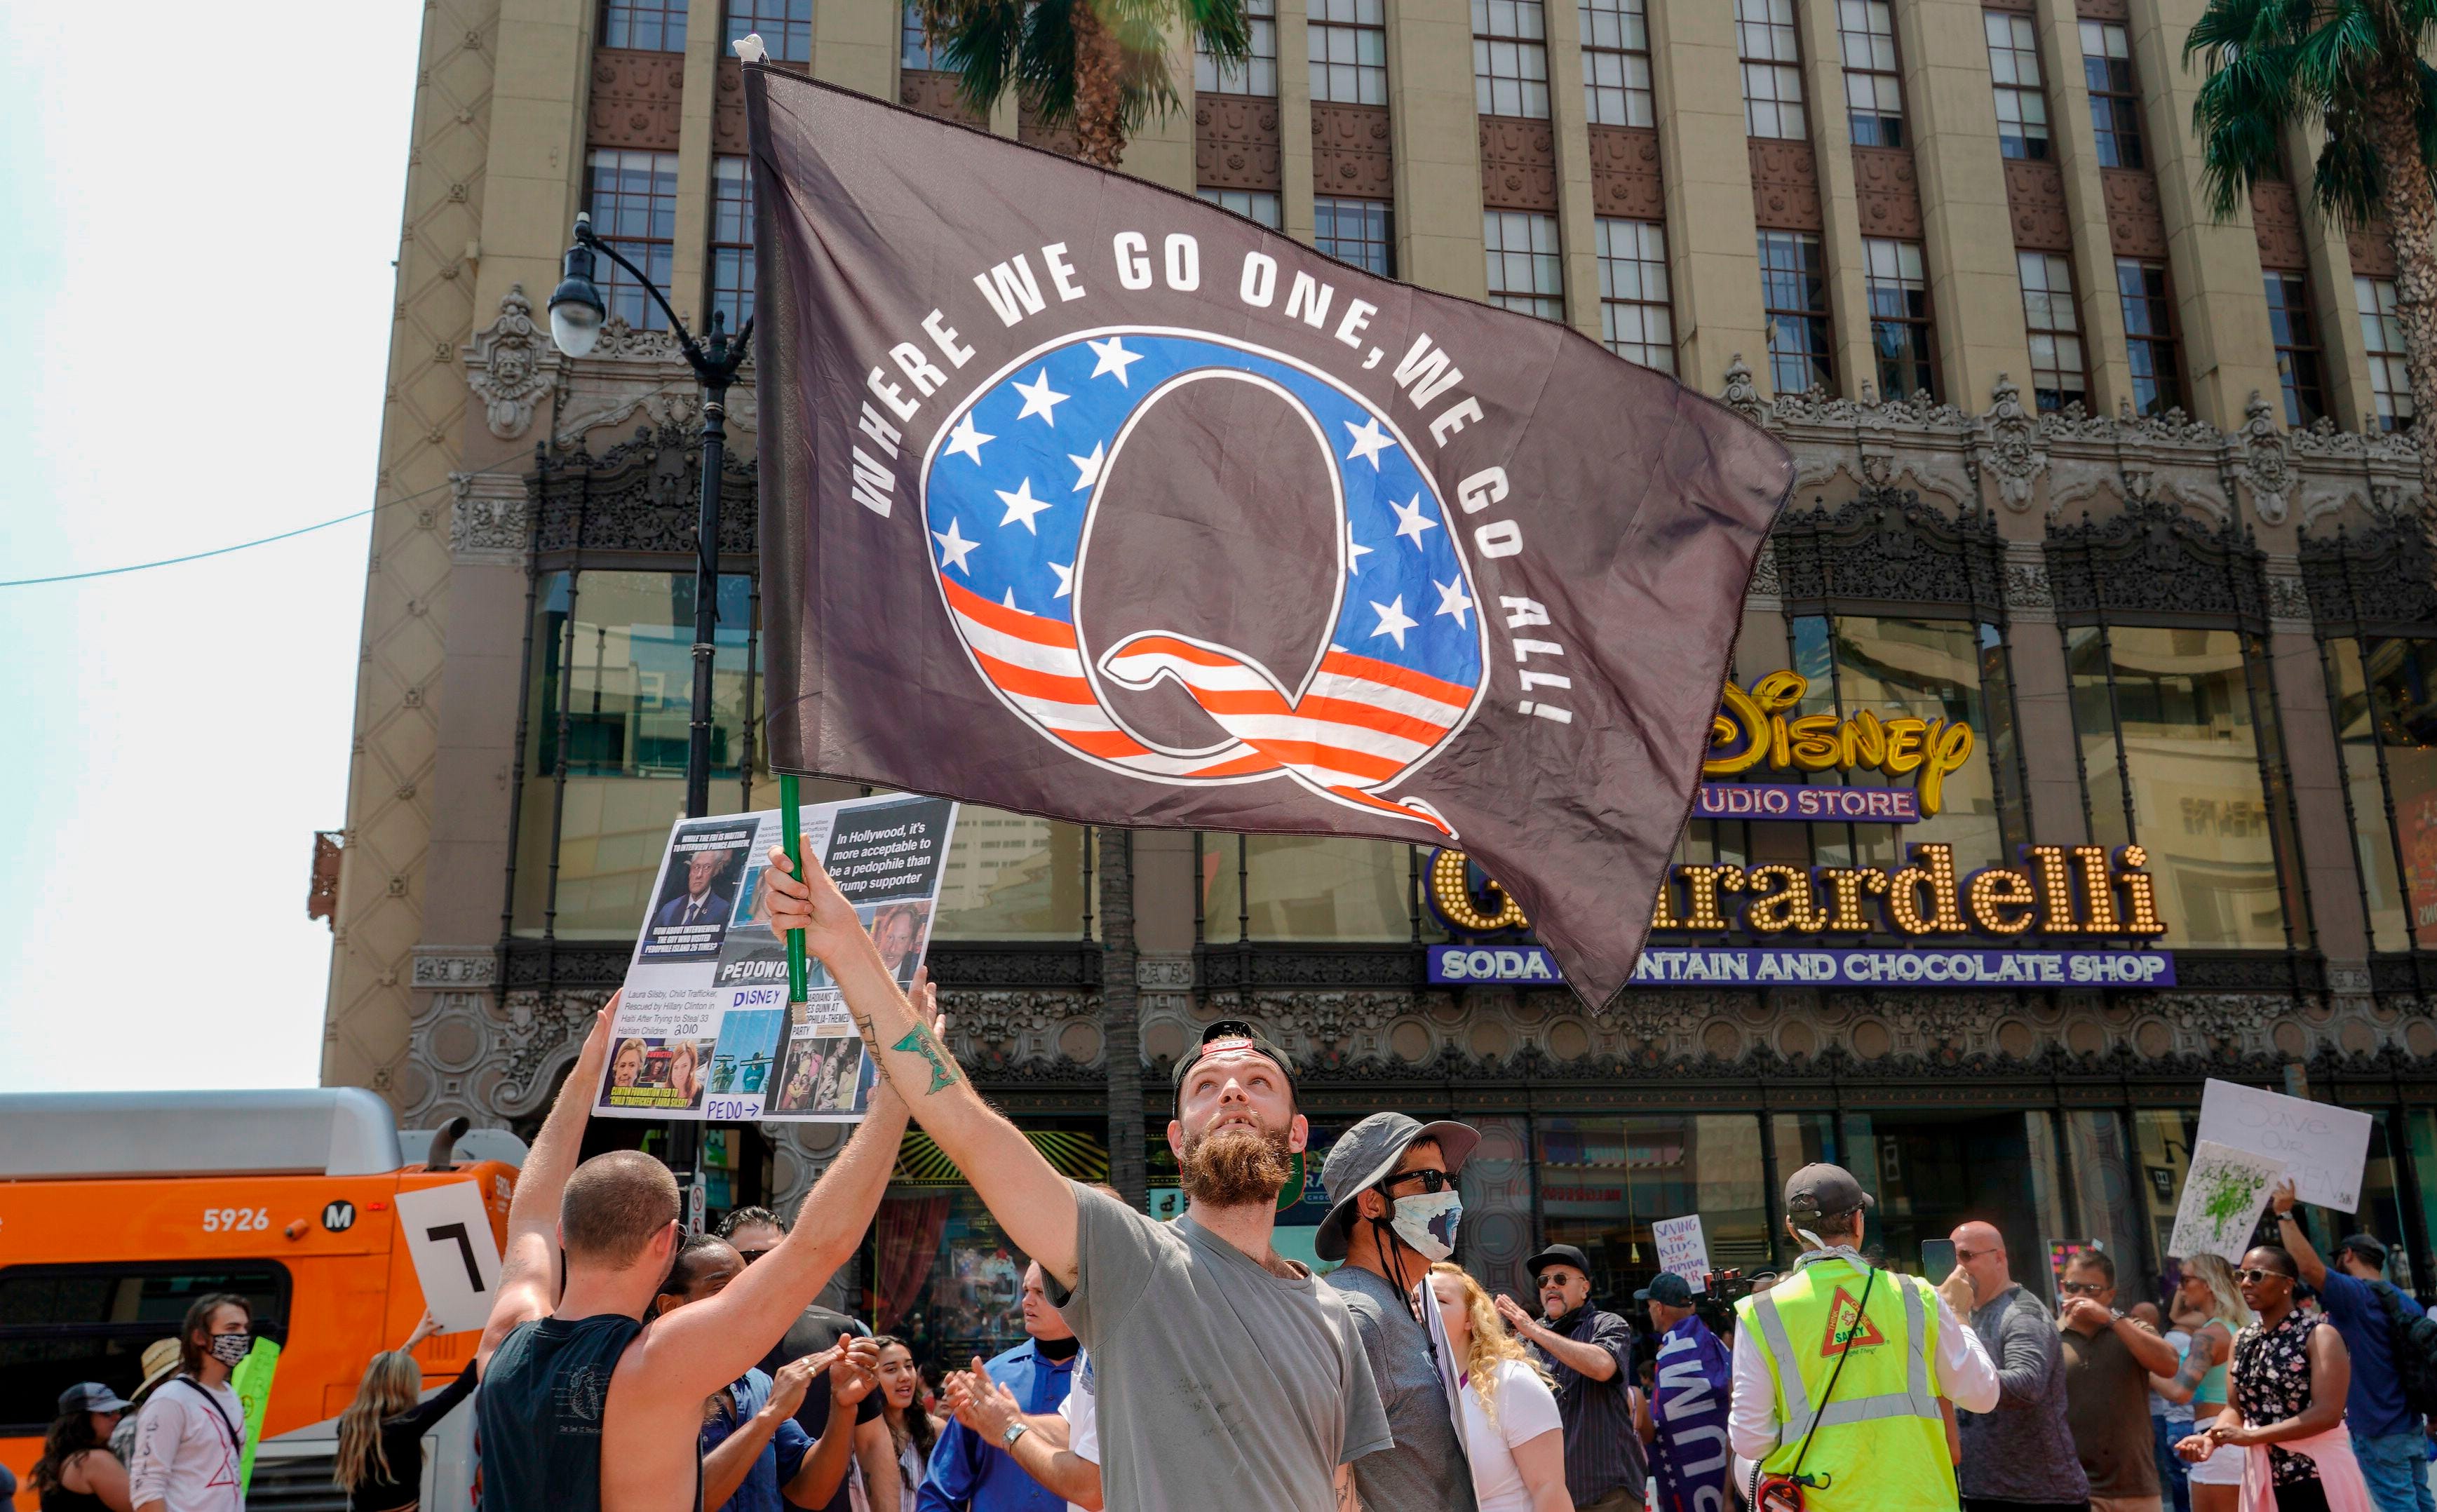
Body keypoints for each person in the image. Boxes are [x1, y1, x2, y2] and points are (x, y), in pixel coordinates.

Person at [764, 839, 1392, 1512]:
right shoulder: (1133, 1260)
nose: (1233, 1093)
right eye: (1207, 1086)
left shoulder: (1331, 1315)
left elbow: (1339, 1490)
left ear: (1297, 1133)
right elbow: (974, 1137)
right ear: (1177, 1143)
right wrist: (847, 946)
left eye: (1257, 1082)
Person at [471, 984, 916, 1512]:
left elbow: (530, 1216)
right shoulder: (659, 1361)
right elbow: (818, 1245)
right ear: (666, 1243)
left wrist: (588, 1073)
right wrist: (897, 1092)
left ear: (565, 1236)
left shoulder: (504, 1338)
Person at [1727, 1163, 1999, 1512]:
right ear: (1858, 1222)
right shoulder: (1917, 1296)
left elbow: (1750, 1442)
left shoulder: (1760, 1313)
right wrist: (1960, 1315)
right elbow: (1983, 1395)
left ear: (1792, 1230)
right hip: (1920, 1500)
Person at [1315, 1109, 1483, 1512]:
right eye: (1428, 1180)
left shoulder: (1403, 1304)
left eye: (1449, 1181)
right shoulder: (1356, 1317)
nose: (1447, 1194)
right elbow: (1323, 1475)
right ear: (1373, 1203)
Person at [650, 1233, 879, 1512]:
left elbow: (811, 1492)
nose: (743, 1302)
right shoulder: (647, 1391)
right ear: (670, 1307)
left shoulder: (756, 1383)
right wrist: (769, 1417)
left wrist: (843, 1406)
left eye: (747, 1288)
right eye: (721, 1288)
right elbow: (685, 1502)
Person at [722, 1206, 900, 1512]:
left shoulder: (840, 1332)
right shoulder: (704, 1343)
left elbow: (872, 1442)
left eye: (778, 1257)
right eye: (752, 1258)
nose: (767, 1267)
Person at [2268, 1183, 2433, 1512]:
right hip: (2409, 1425)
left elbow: (2310, 1269)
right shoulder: (2402, 1300)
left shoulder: (2355, 1295)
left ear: (2348, 1256)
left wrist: (2285, 1214)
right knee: (2421, 1502)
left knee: (2399, 1506)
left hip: (2378, 1429)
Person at [2174, 1246, 2375, 1512]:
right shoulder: (2242, 1340)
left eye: (2257, 1275)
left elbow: (2328, 1413)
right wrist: (2211, 1438)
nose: (2245, 1283)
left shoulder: (2319, 1335)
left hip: (2316, 1474)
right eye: (2240, 1275)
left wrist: (2251, 1437)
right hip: (2264, 1476)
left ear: (2287, 1284)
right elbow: (2235, 1408)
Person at [1939, 1219, 2088, 1512]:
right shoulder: (1970, 1313)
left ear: (1999, 1257)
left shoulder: (2022, 1313)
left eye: (1967, 1256)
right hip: (1983, 1491)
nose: (1958, 1268)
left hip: (2040, 1495)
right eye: (1952, 1258)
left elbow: (2027, 1386)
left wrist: (1966, 1382)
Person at [919, 1262, 1081, 1512]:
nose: (1027, 1302)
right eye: (1025, 1291)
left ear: (1073, 1299)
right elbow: (942, 1489)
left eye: (1040, 1293)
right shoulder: (992, 1377)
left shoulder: (1104, 1379)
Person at [1494, 1242, 1645, 1511]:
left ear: (1585, 1287)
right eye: (1543, 1281)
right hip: (1550, 1496)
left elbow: (1602, 1366)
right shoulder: (1525, 1341)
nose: (1550, 1286)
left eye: (1560, 1279)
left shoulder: (1607, 1324)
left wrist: (1531, 1329)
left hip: (1608, 1494)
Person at [1429, 1262, 1569, 1512]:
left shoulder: (1511, 1381)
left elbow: (1549, 1489)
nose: (1424, 1308)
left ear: (1470, 1319)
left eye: (1438, 1300)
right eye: (1416, 1300)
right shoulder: (1415, 1390)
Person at [2058, 1250, 2182, 1512]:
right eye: (2072, 1287)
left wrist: (2111, 1318)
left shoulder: (2133, 1329)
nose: (2080, 1295)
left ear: (2110, 1295)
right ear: (2062, 1288)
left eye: (2092, 1289)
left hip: (2135, 1486)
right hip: (2074, 1489)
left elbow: (2169, 1365)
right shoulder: (2048, 1337)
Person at [334, 1311, 480, 1512]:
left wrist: (414, 1340)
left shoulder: (349, 1424)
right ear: (405, 1387)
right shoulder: (407, 1425)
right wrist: (491, 1335)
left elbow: (383, 1374)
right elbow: (462, 1387)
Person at [128, 1292, 254, 1512]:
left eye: (245, 1328)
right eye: (232, 1329)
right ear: (200, 1337)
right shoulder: (170, 1401)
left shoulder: (231, 1395)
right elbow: (148, 1487)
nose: (242, 1336)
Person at [2152, 1256, 2255, 1512]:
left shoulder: (2208, 1335)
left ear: (2208, 1285)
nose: (2180, 1287)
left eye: (2185, 1280)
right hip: (2236, 1437)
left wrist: (2146, 1369)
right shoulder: (2236, 1326)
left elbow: (2180, 1392)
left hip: (2215, 1440)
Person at [1635, 1271, 1733, 1512]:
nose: (1649, 1312)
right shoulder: (1712, 1343)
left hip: (1692, 1490)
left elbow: (1655, 1429)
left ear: (1658, 1308)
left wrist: (1635, 1400)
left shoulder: (1671, 1356)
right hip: (1727, 1482)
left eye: (1649, 1306)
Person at [866, 1337, 943, 1511]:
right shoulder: (851, 1433)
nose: (905, 1376)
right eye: (892, 1369)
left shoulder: (935, 1430)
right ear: (869, 1376)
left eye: (909, 1366)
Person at [33, 1382, 135, 1512]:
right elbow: (143, 1508)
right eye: (107, 1413)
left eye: (118, 1411)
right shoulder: (93, 1460)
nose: (117, 1417)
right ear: (81, 1418)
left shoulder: (63, 1461)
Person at [2131, 1302, 2194, 1512]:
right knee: (2176, 1474)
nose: (2132, 1320)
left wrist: (2144, 1374)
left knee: (2179, 1475)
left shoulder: (2168, 1343)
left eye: (2136, 1316)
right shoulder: (2190, 1339)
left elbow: (2176, 1388)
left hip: (2175, 1418)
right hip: (2171, 1417)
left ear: (2151, 1320)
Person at [655, 846, 736, 930]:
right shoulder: (669, 909)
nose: (699, 875)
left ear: (716, 870)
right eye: (696, 867)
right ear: (690, 870)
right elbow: (650, 941)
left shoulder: (723, 910)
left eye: (707, 867)